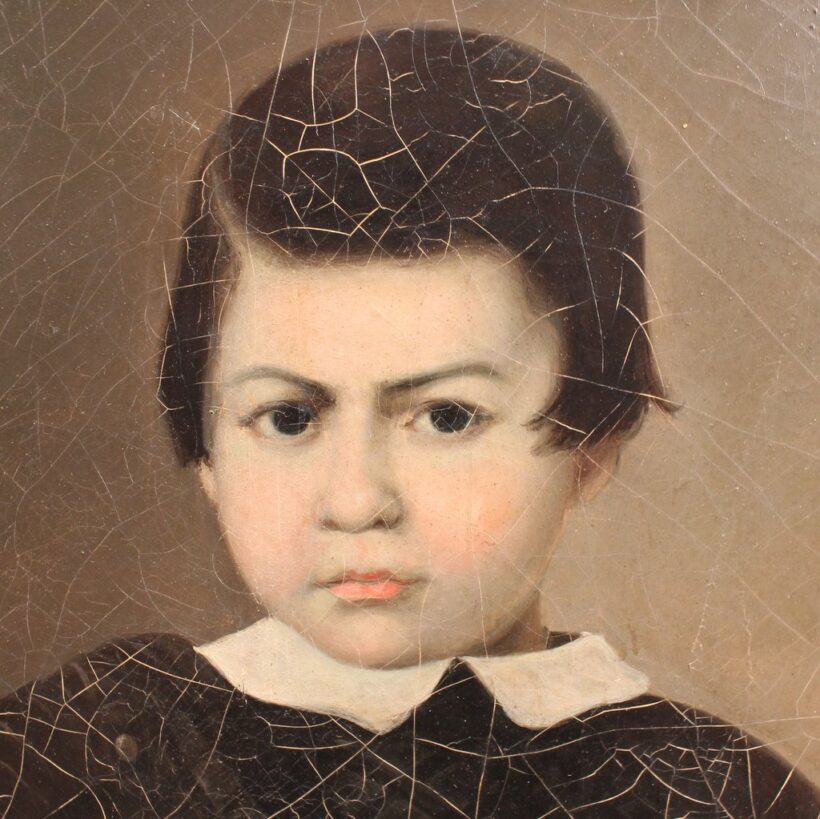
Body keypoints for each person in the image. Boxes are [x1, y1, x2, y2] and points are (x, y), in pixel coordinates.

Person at [0, 26, 816, 818]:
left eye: (447, 416)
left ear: (590, 445)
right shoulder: (78, 752)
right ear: (206, 442)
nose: (357, 502)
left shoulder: (716, 793)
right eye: (289, 417)